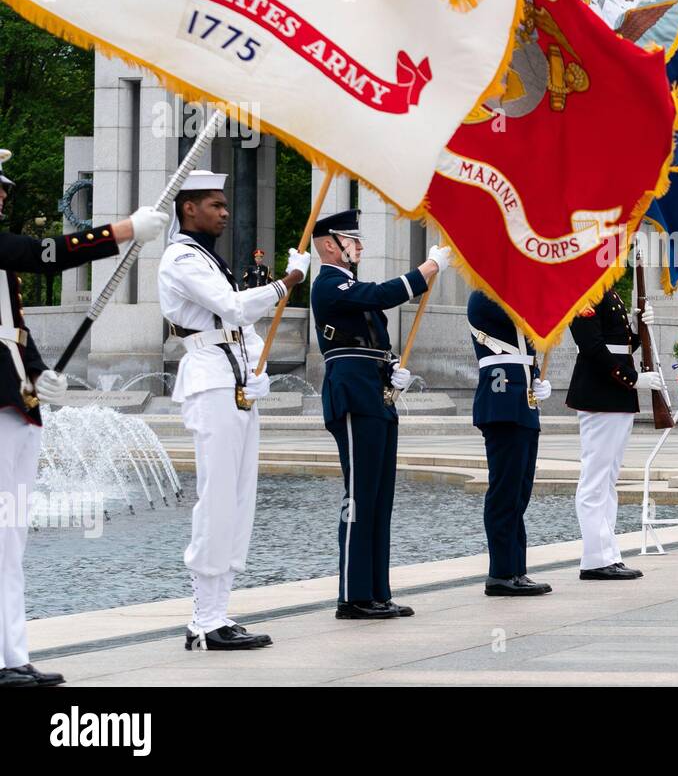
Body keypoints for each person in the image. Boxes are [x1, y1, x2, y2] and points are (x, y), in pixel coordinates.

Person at [0, 148, 167, 687]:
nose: (4, 193)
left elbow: (10, 329)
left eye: (5, 184)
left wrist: (36, 372)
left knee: (11, 537)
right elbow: (45, 252)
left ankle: (11, 656)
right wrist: (121, 231)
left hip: (13, 405)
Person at [158, 170, 310, 651]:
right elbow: (234, 308)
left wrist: (257, 366)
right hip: (210, 382)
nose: (225, 212)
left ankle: (219, 614)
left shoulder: (207, 257)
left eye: (225, 205)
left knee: (240, 503)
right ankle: (202, 622)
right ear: (189, 209)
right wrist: (290, 281)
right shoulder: (180, 257)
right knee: (217, 498)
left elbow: (239, 329)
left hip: (236, 381)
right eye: (215, 205)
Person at [310, 209, 450, 619]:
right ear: (330, 244)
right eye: (352, 240)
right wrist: (429, 266)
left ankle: (375, 591)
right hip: (353, 394)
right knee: (359, 496)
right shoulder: (330, 284)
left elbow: (369, 337)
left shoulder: (349, 286)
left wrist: (391, 369)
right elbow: (382, 295)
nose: (360, 246)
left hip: (375, 392)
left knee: (379, 498)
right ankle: (353, 597)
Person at [566, 285, 663, 580]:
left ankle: (608, 553)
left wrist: (637, 329)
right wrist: (632, 378)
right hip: (600, 392)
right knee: (595, 479)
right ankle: (594, 559)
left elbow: (618, 343)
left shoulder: (606, 291)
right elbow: (592, 347)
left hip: (615, 394)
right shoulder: (584, 291)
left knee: (608, 479)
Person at [468, 290, 552, 596]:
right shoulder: (484, 296)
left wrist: (535, 377)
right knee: (504, 491)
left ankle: (516, 569)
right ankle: (500, 573)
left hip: (521, 400)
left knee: (519, 491)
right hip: (502, 402)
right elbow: (527, 316)